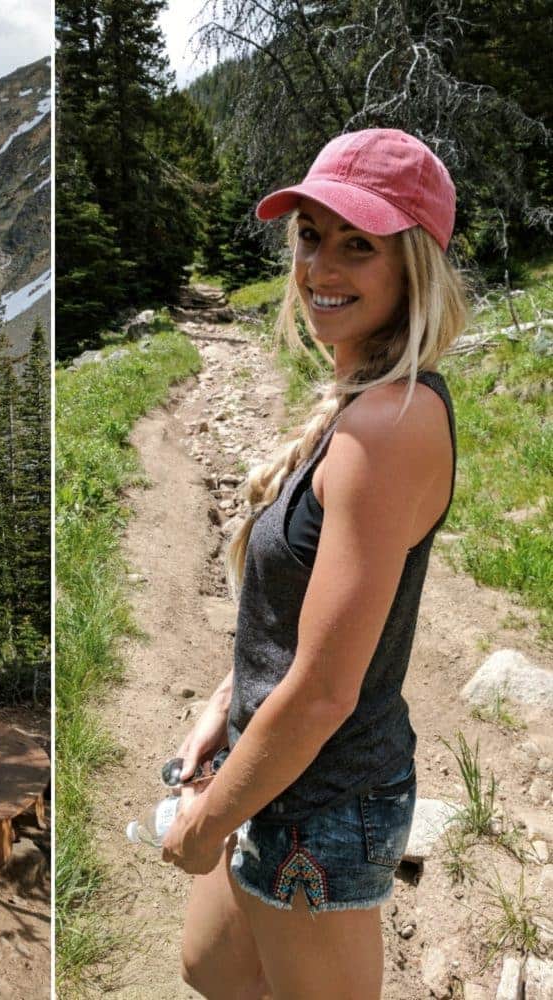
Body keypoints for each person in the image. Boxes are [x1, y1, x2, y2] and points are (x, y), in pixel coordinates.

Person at [160, 128, 466, 999]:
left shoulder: (390, 427)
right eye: (309, 236)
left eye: (357, 244)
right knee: (212, 969)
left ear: (414, 266)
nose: (320, 267)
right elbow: (298, 621)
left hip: (324, 803)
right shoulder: (359, 402)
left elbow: (330, 688)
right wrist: (229, 701)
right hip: (272, 764)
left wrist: (206, 823)